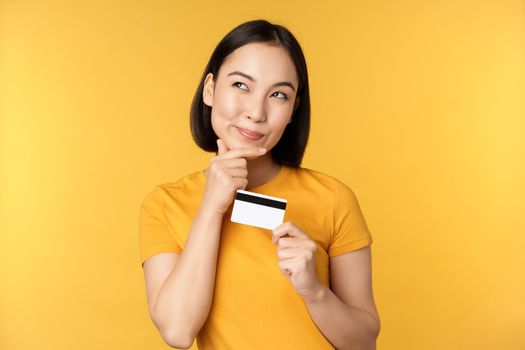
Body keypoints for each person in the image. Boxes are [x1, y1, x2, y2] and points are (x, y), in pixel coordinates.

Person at [139, 19, 380, 349]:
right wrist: (212, 205)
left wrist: (314, 290)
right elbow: (178, 331)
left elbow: (364, 343)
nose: (256, 111)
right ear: (210, 89)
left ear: (293, 109)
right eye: (240, 85)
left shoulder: (333, 199)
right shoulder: (165, 205)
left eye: (278, 95)